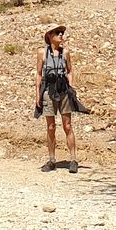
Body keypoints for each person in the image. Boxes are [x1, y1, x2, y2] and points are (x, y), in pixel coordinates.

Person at [34, 23, 89, 172]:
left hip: (63, 90)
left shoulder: (66, 53)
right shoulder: (42, 53)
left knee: (67, 125)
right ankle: (52, 159)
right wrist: (38, 94)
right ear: (49, 36)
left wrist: (70, 86)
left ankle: (73, 159)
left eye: (61, 33)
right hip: (48, 91)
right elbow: (39, 74)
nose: (61, 35)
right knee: (50, 127)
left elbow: (69, 70)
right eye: (57, 33)